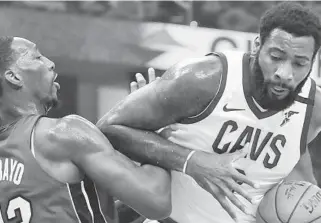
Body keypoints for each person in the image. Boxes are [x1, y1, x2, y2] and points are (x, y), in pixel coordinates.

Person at [97, 2, 321, 223]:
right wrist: (190, 161)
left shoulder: (312, 109)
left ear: (312, 63)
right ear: (257, 46)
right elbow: (108, 127)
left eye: (299, 63)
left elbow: (301, 180)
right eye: (276, 57)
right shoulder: (203, 79)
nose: (285, 73)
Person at [0, 36, 175, 223]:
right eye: (37, 57)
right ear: (14, 76)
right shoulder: (62, 133)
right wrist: (152, 126)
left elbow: (85, 209)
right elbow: (157, 201)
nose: (50, 63)